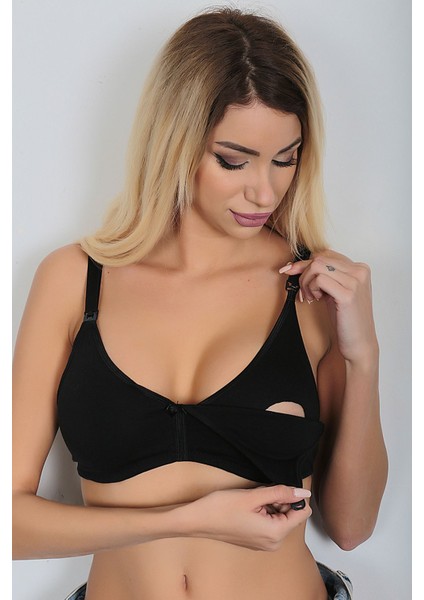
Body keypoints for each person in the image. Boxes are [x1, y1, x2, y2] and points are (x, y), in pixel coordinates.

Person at [12, 7, 388, 600]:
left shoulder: (315, 291)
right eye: (233, 161)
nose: (264, 191)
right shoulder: (74, 280)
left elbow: (351, 527)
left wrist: (363, 357)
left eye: (286, 159)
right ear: (174, 143)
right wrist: (188, 519)